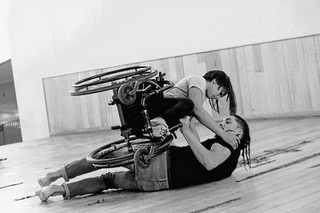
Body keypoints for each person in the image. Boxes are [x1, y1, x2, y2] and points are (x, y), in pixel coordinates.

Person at [35, 114, 251, 201]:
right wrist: (191, 127)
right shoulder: (230, 160)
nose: (222, 124)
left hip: (157, 162)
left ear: (239, 133)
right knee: (107, 180)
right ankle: (57, 191)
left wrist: (186, 132)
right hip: (158, 183)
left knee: (103, 157)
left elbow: (208, 162)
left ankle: (53, 176)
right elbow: (198, 159)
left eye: (229, 122)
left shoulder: (226, 147)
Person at [147, 70, 239, 149]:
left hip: (161, 112)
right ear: (215, 81)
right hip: (154, 108)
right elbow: (197, 109)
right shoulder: (199, 80)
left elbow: (191, 126)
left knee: (189, 110)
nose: (218, 98)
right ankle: (159, 121)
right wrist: (223, 134)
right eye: (220, 93)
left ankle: (159, 124)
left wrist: (200, 150)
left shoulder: (199, 98)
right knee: (189, 104)